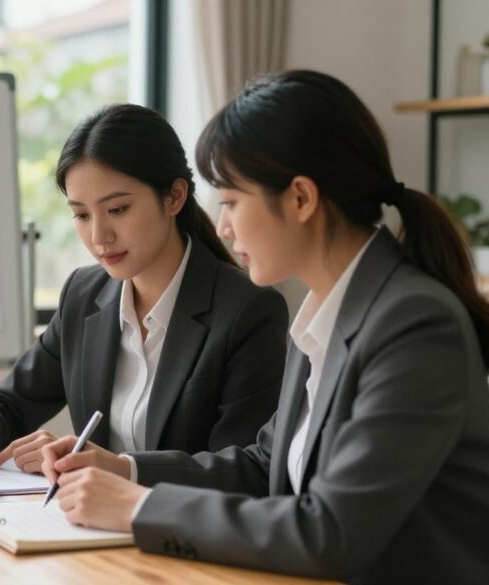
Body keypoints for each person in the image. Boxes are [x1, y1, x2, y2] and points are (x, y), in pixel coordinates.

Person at [39, 70, 489, 584]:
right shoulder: (327, 310)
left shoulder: (414, 324)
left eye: (231, 201)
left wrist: (139, 508)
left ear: (300, 198)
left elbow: (331, 532)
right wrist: (129, 470)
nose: (223, 226)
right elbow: (263, 466)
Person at [0, 104, 289, 474]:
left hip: (179, 528)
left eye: (118, 209)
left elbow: (243, 468)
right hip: (89, 522)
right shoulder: (84, 293)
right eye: (81, 215)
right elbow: (14, 402)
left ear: (175, 196)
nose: (99, 237)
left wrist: (120, 469)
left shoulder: (248, 310)